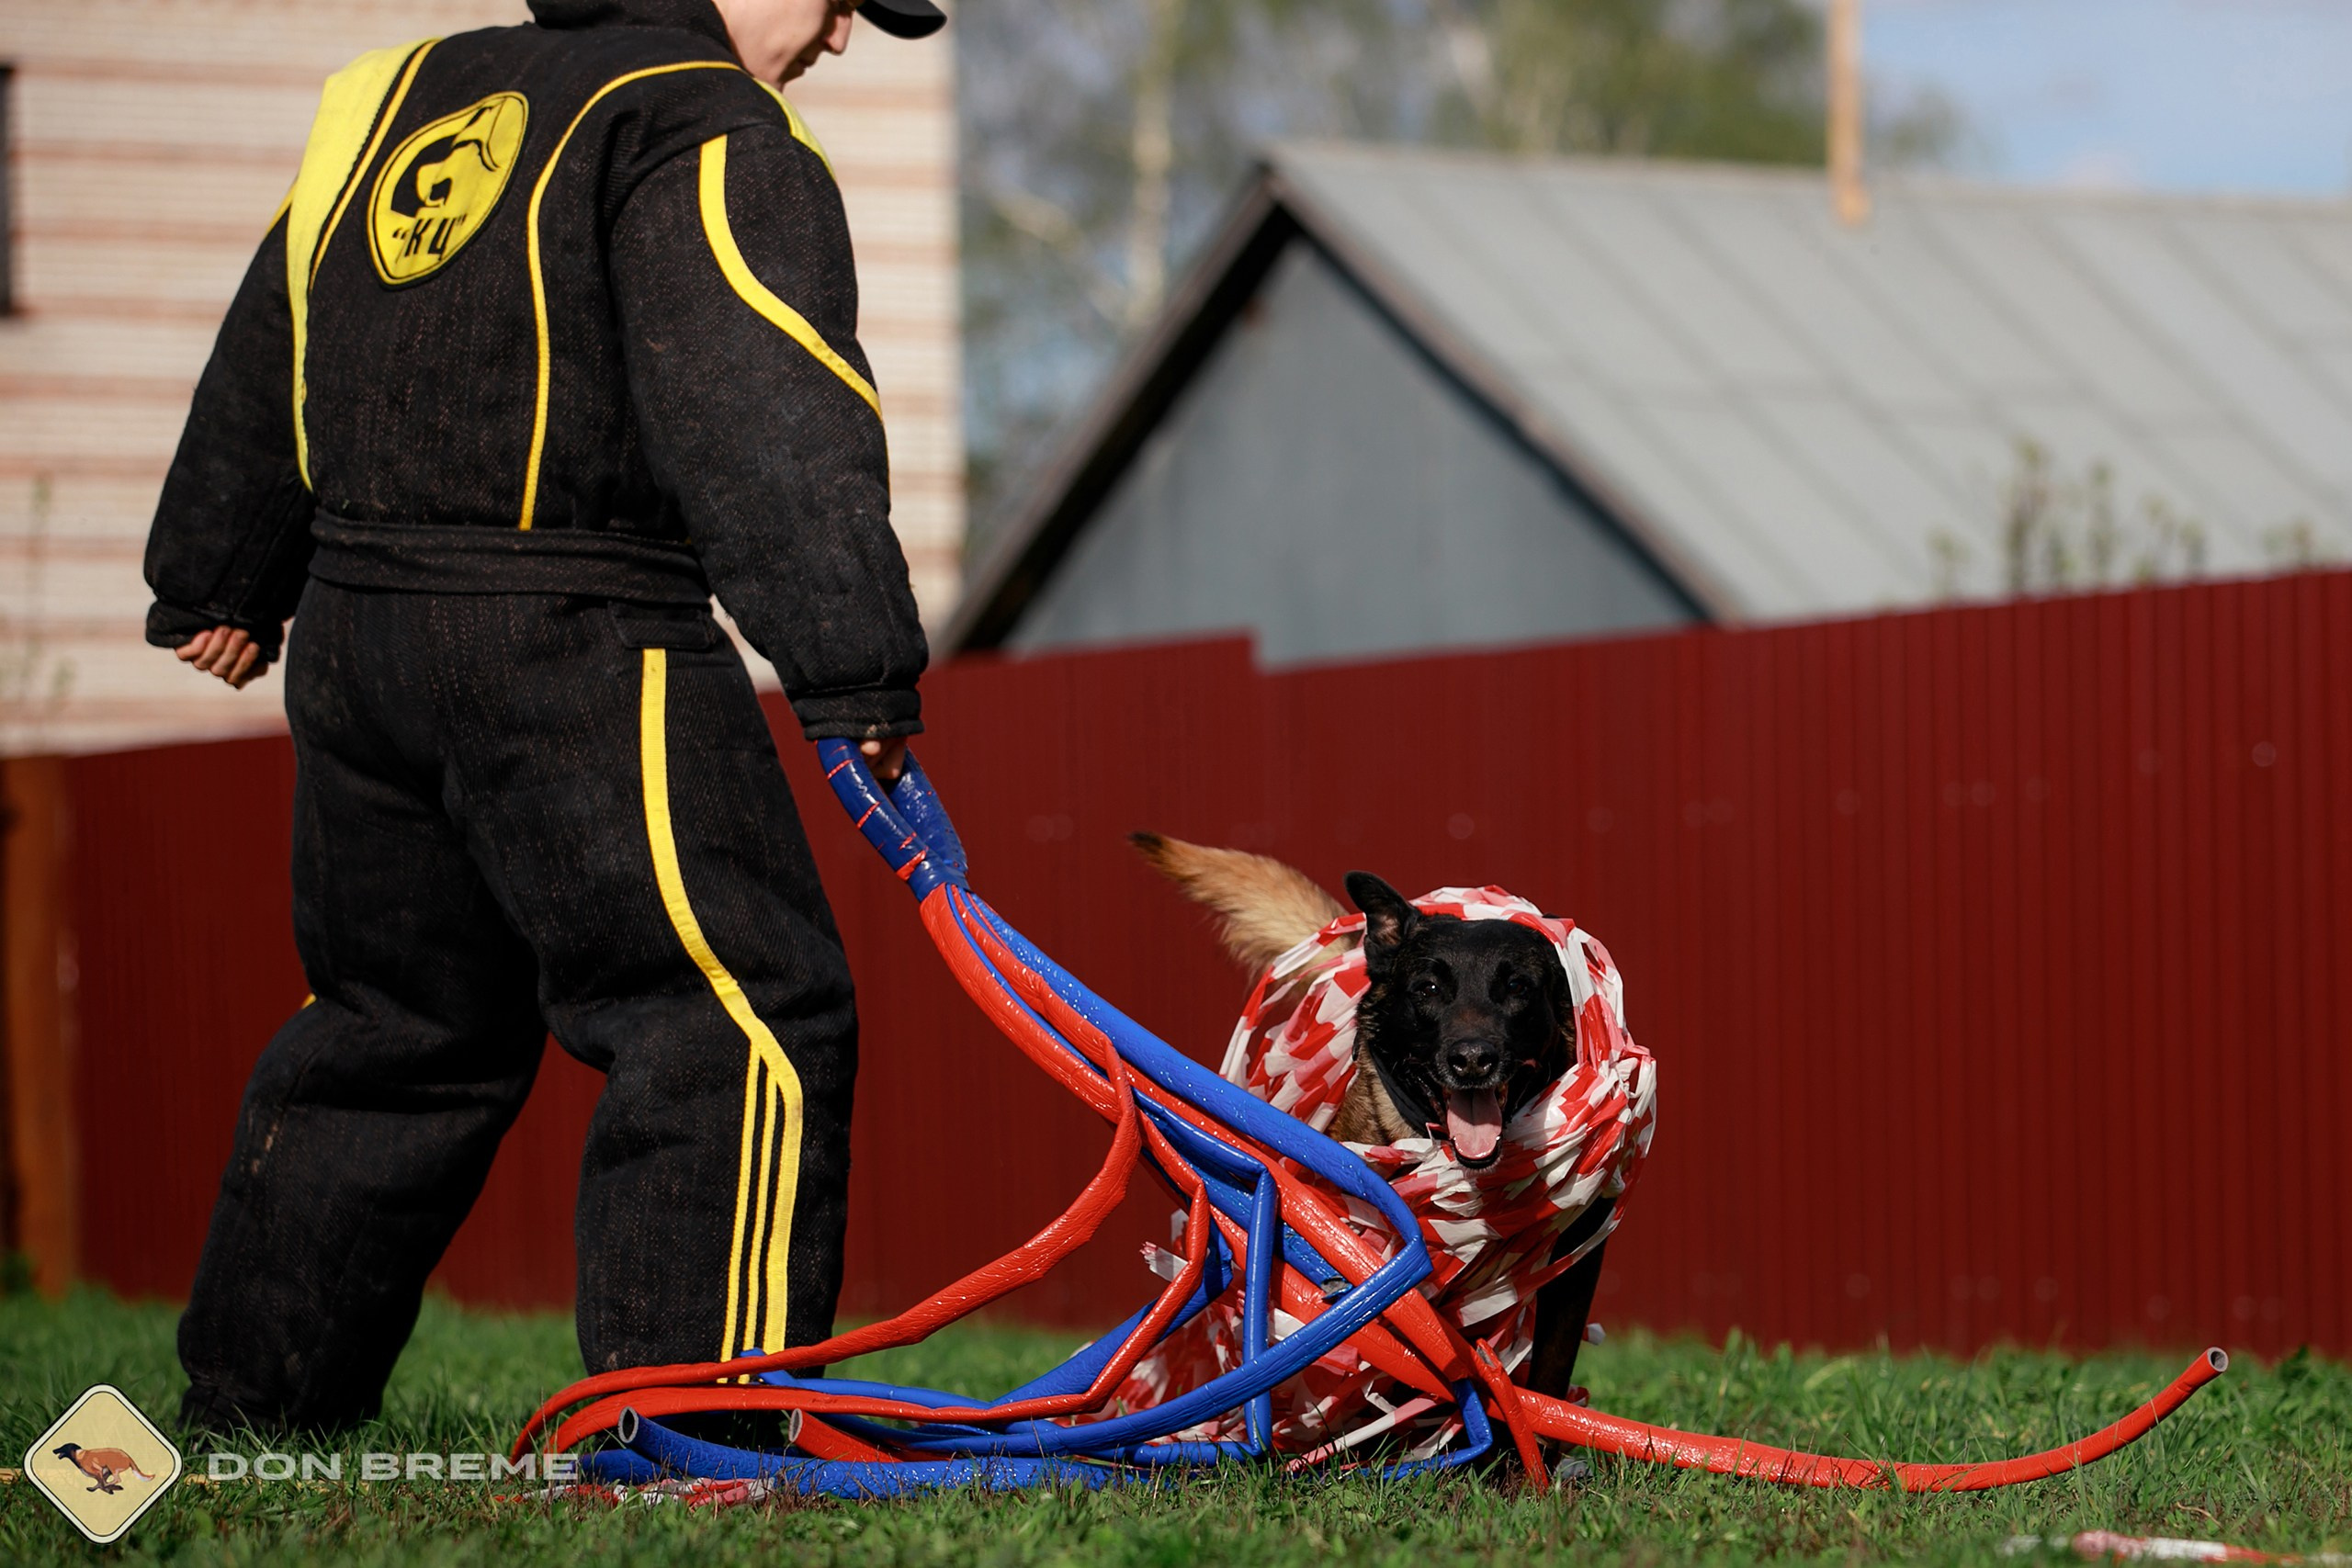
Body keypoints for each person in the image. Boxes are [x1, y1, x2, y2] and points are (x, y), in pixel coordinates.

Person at [144, 0, 944, 1432]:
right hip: (576, 640)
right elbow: (762, 401)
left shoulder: (401, 96)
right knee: (739, 1014)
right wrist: (852, 663)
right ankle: (699, 1428)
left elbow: (285, 318)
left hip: (357, 634)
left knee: (397, 1023)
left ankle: (245, 1412)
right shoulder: (700, 118)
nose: (840, 39)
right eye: (836, 2)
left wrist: (222, 568)